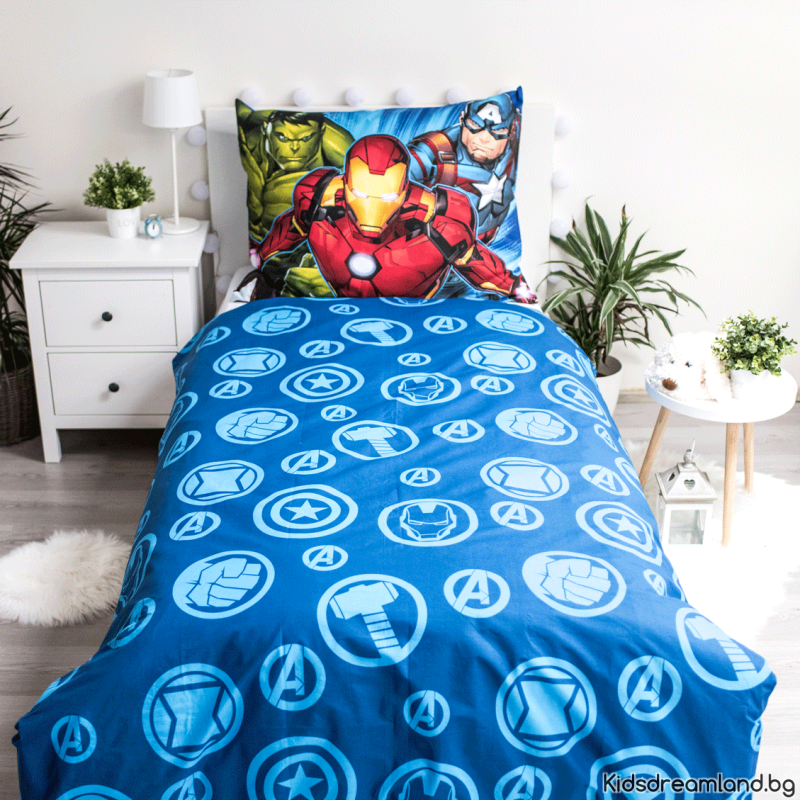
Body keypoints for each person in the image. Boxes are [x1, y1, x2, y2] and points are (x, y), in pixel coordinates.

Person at [249, 134, 536, 302]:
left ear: (403, 191)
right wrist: (261, 254)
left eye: (386, 197)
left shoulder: (442, 222)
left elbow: (479, 265)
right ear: (346, 184)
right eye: (361, 193)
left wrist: (516, 288)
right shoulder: (317, 198)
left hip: (418, 315)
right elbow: (291, 228)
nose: (372, 207)